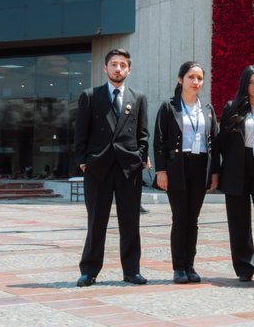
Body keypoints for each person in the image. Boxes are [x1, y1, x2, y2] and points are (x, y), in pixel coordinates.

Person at [74, 48, 150, 287]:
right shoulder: (90, 96)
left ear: (129, 69)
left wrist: (140, 157)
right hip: (98, 168)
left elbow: (143, 134)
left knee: (130, 222)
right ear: (105, 68)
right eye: (114, 64)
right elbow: (80, 133)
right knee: (96, 221)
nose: (118, 69)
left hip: (129, 168)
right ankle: (89, 271)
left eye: (123, 65)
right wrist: (83, 162)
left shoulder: (138, 97)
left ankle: (131, 270)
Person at [153, 61, 219, 285]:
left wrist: (215, 172)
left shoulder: (207, 109)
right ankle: (178, 267)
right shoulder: (169, 106)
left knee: (193, 219)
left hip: (201, 167)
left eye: (199, 78)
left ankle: (190, 265)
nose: (196, 82)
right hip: (177, 168)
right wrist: (161, 170)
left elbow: (216, 144)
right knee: (180, 218)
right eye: (191, 77)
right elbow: (159, 141)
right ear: (180, 80)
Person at [216, 65, 254, 284]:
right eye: (252, 82)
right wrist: (217, 171)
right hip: (236, 167)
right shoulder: (232, 108)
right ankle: (244, 266)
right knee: (239, 219)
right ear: (245, 84)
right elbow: (220, 143)